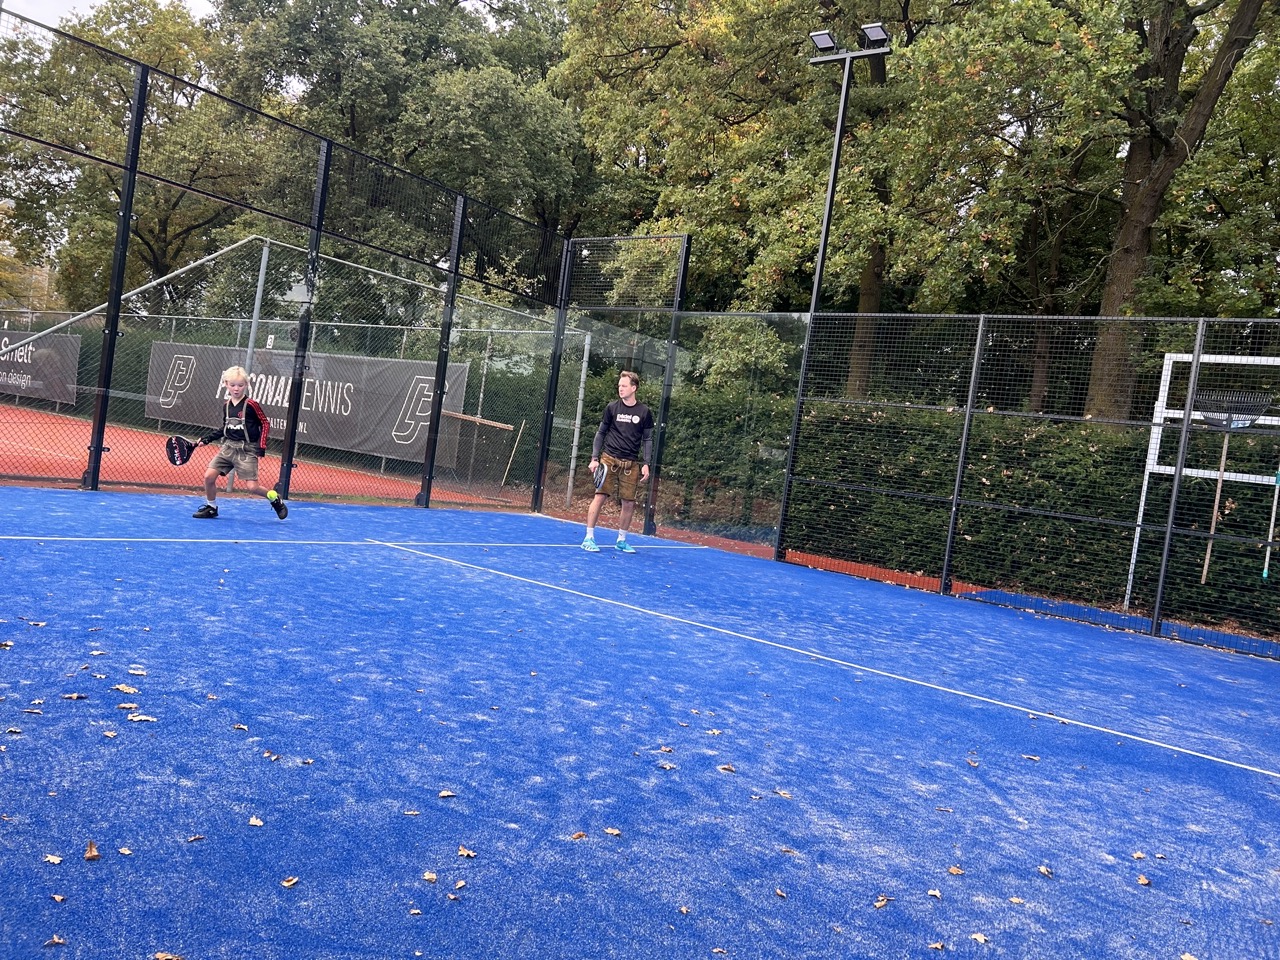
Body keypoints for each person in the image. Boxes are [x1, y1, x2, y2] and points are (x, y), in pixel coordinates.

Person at [191, 365, 288, 520]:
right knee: (209, 477)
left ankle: (275, 499)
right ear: (226, 384)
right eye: (233, 385)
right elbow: (225, 427)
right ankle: (211, 507)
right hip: (228, 447)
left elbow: (265, 423)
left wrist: (261, 446)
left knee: (252, 487)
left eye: (240, 385)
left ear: (246, 385)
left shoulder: (251, 405)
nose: (236, 389)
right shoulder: (226, 405)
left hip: (247, 449)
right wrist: (207, 439)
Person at [582, 370, 654, 553]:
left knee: (628, 502)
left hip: (631, 463)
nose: (620, 388)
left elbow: (647, 440)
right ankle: (588, 537)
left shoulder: (644, 412)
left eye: (624, 386)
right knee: (600, 496)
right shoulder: (612, 408)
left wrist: (646, 463)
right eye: (619, 385)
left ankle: (621, 540)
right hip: (608, 459)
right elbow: (601, 433)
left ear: (634, 388)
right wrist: (594, 458)